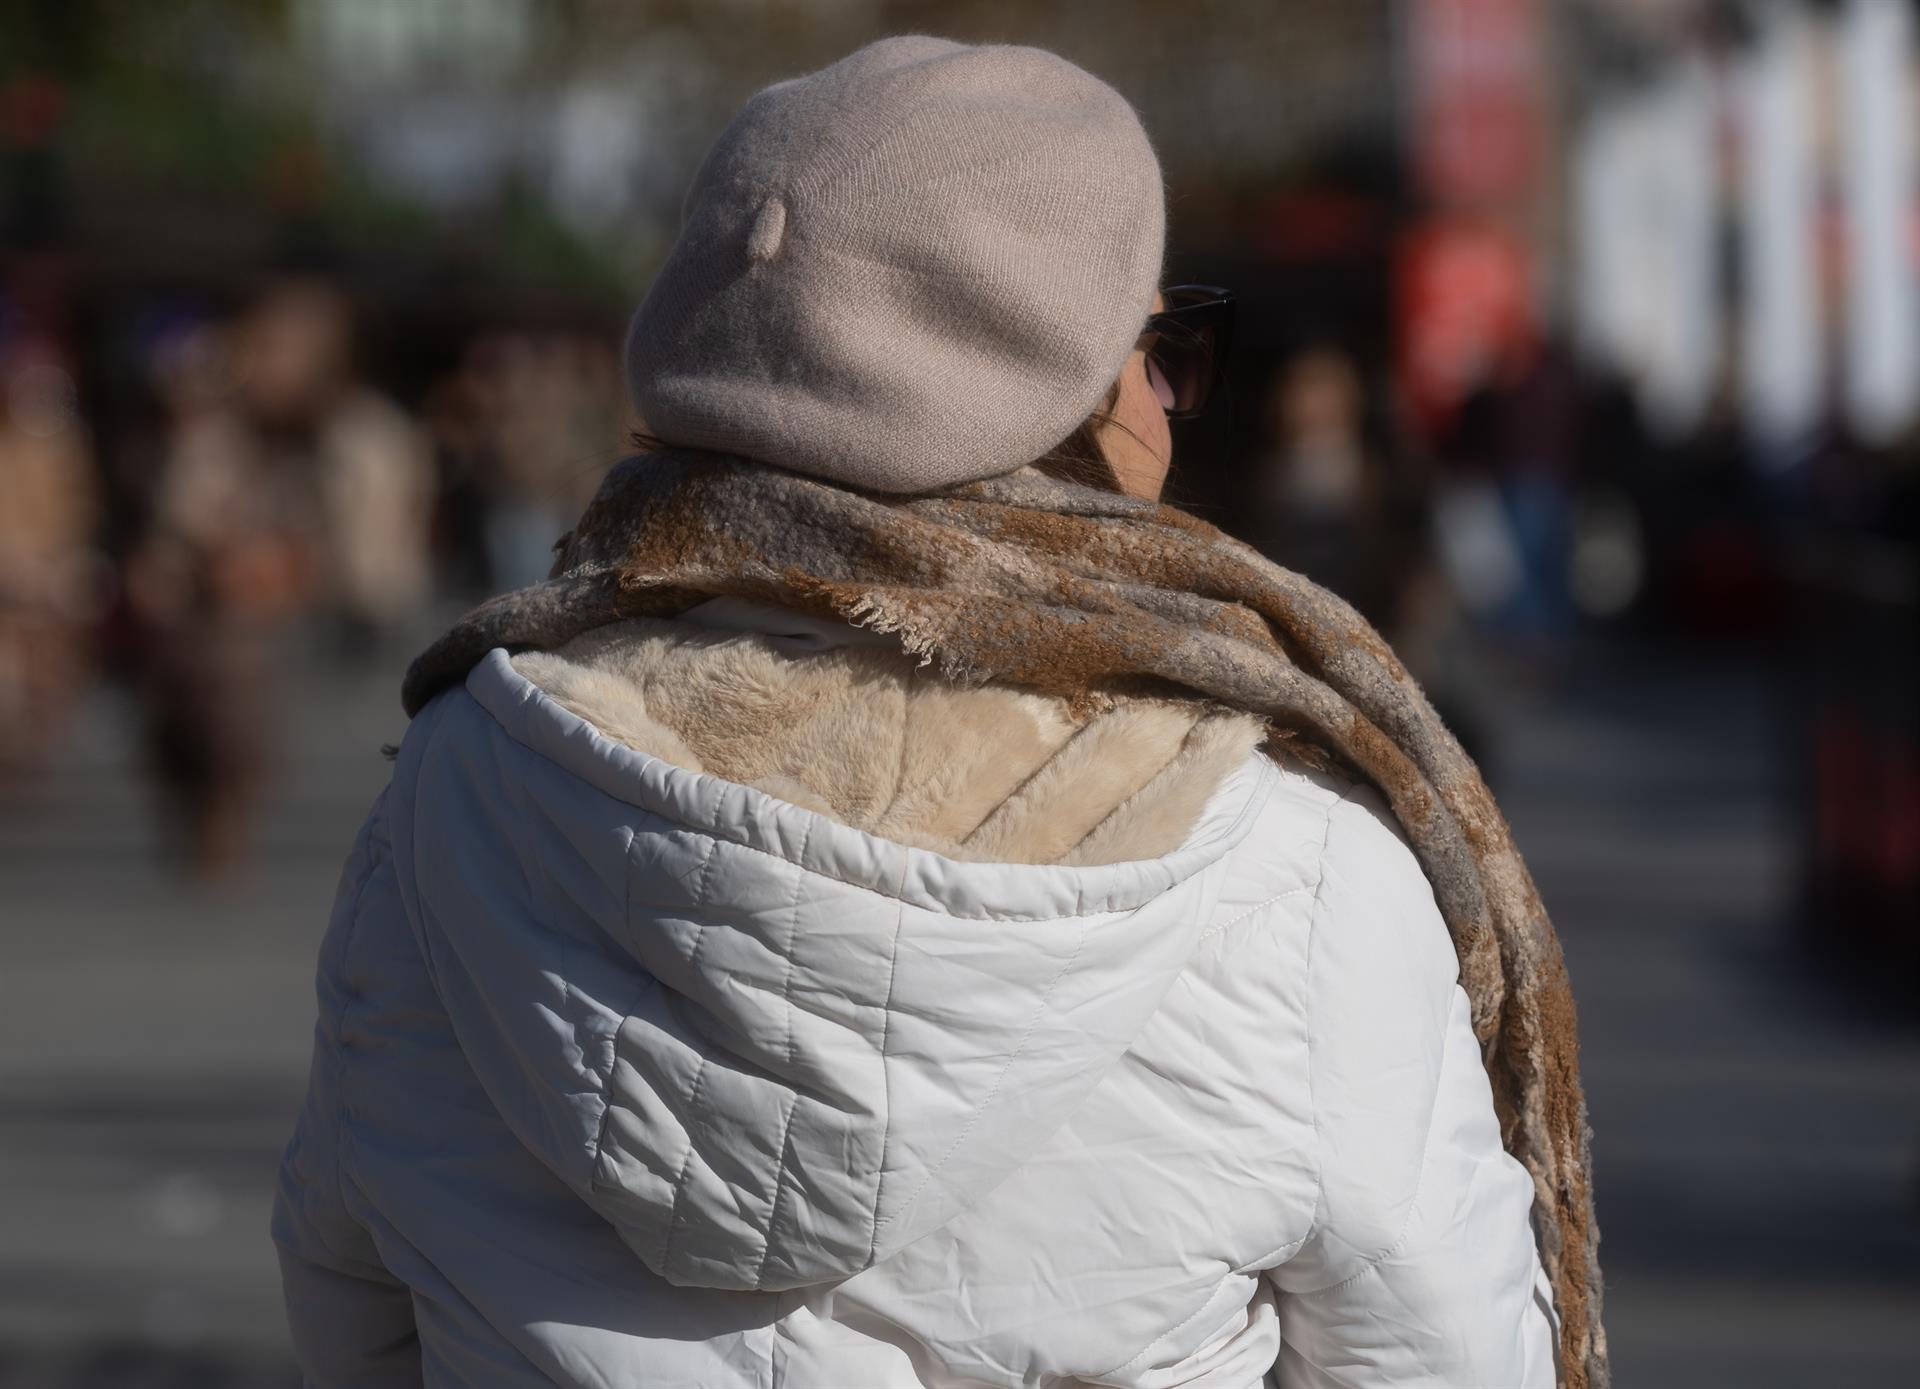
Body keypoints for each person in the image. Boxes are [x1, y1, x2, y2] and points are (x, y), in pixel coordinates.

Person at [273, 37, 1605, 1388]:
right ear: (1062, 384)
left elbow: (353, 1296)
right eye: (1156, 345)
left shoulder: (460, 781)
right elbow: (1446, 1356)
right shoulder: (1299, 864)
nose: (1167, 401)